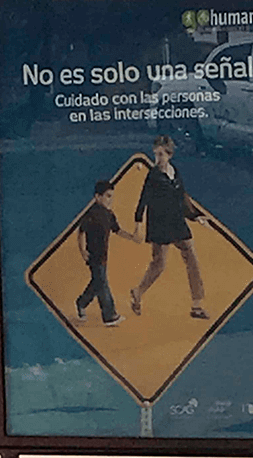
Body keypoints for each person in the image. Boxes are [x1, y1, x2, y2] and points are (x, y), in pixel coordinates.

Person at [130, 135, 209, 319]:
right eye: (155, 155)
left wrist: (197, 217)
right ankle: (138, 292)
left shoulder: (176, 172)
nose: (157, 159)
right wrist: (138, 225)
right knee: (159, 264)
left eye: (161, 155)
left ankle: (197, 306)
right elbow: (143, 200)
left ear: (169, 155)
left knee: (192, 258)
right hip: (160, 226)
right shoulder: (153, 175)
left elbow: (183, 198)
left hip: (177, 222)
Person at [76, 179, 136, 327]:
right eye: (108, 196)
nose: (111, 199)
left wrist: (132, 237)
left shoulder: (109, 215)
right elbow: (81, 233)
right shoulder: (91, 214)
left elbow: (118, 230)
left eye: (112, 196)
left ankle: (81, 302)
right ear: (97, 197)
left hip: (103, 256)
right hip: (93, 255)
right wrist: (83, 251)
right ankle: (109, 315)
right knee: (102, 283)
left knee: (97, 283)